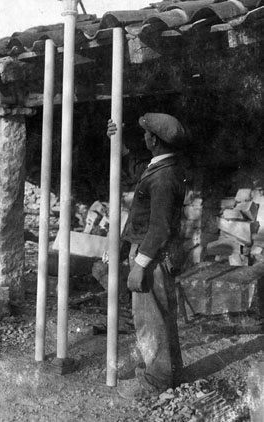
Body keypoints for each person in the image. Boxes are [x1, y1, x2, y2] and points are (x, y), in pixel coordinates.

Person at [107, 112, 188, 399]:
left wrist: (140, 264)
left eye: (145, 135)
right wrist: (122, 149)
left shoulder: (164, 177)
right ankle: (170, 372)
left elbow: (160, 227)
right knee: (161, 315)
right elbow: (140, 170)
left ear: (153, 140)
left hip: (151, 256)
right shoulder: (164, 167)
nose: (143, 137)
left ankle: (155, 381)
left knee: (150, 318)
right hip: (154, 254)